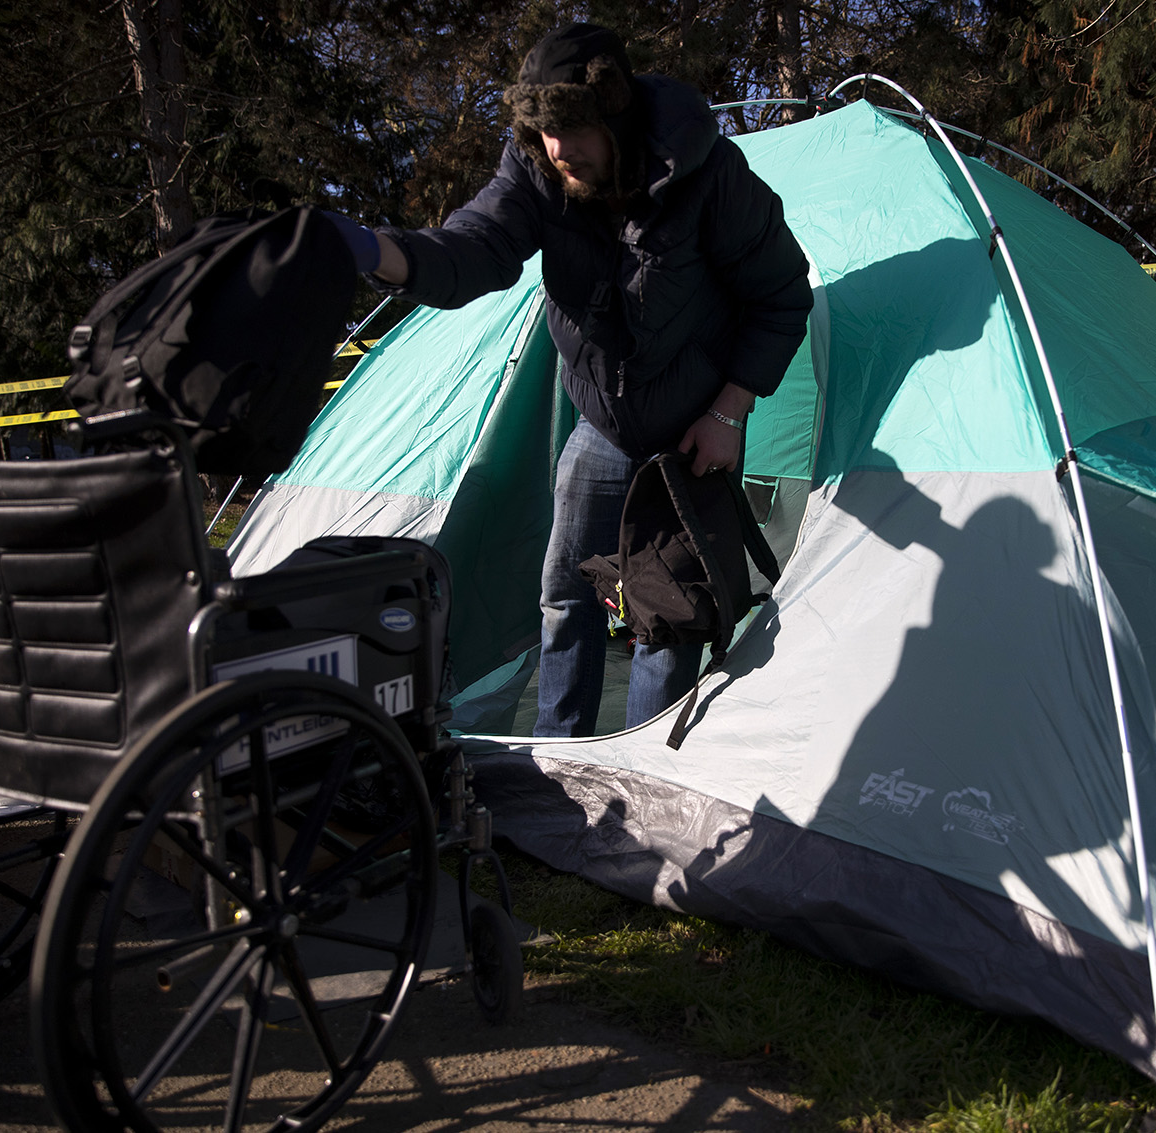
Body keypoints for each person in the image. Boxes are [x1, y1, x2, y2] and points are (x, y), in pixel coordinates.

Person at [329, 23, 811, 737]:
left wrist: (730, 413)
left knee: (665, 619)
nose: (559, 151)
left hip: (691, 431)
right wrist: (379, 252)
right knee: (565, 599)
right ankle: (561, 767)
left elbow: (782, 294)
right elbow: (478, 245)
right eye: (543, 135)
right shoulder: (537, 169)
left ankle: (644, 773)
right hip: (602, 427)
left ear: (614, 114)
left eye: (574, 130)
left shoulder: (708, 174)